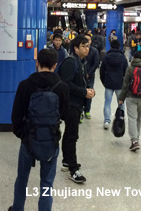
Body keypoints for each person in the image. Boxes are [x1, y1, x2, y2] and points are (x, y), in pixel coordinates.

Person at [9, 49, 69, 211]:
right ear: (55, 65)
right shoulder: (62, 88)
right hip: (51, 140)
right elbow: (64, 114)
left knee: (22, 179)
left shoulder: (25, 85)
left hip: (28, 139)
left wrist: (24, 135)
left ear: (37, 63)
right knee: (47, 183)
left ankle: (17, 208)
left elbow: (15, 117)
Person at [59, 35, 94, 183]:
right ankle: (73, 169)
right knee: (72, 135)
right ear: (76, 48)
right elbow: (65, 84)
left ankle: (67, 161)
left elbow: (79, 82)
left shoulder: (81, 62)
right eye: (84, 46)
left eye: (88, 46)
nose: (87, 49)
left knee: (70, 133)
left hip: (77, 103)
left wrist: (88, 90)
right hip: (70, 104)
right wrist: (83, 92)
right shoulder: (70, 62)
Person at [118, 51, 141, 151]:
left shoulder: (130, 68)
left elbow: (125, 85)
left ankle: (134, 141)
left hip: (131, 97)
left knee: (132, 118)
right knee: (139, 117)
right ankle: (136, 137)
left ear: (134, 58)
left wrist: (121, 98)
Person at [100, 39, 128, 130]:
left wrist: (103, 81)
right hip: (119, 83)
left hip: (108, 82)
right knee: (121, 102)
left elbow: (102, 70)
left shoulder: (106, 57)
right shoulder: (123, 58)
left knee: (107, 102)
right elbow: (126, 71)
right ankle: (120, 118)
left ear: (111, 46)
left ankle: (107, 121)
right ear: (119, 47)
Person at [80, 34, 99, 121]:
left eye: (89, 40)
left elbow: (96, 64)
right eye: (85, 40)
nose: (88, 41)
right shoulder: (80, 51)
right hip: (80, 75)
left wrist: (89, 73)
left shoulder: (94, 51)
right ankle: (80, 111)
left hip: (90, 76)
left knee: (90, 92)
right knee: (81, 92)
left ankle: (87, 110)